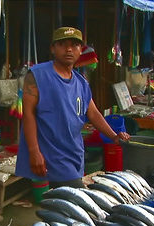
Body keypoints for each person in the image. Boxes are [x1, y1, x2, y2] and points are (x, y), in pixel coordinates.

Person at [15, 27, 130, 188]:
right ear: (53, 48)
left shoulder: (81, 82)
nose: (69, 49)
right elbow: (28, 114)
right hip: (51, 154)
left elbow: (93, 113)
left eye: (75, 45)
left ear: (80, 50)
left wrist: (114, 136)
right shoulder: (37, 75)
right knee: (73, 200)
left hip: (74, 153)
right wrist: (34, 151)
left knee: (62, 207)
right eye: (62, 44)